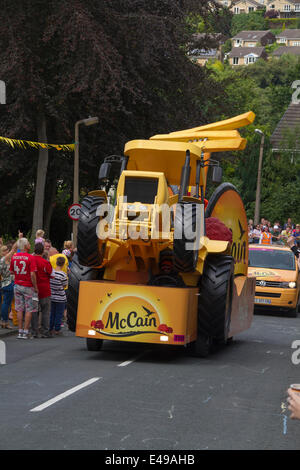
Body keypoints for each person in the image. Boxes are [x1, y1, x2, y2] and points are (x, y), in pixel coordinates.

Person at [10, 238, 38, 339]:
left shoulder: (14, 257)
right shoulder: (31, 257)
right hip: (28, 286)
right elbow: (32, 274)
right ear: (26, 246)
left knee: (19, 309)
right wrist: (35, 287)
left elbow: (12, 271)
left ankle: (20, 331)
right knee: (29, 309)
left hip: (17, 285)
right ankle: (26, 332)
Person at [32, 243, 54, 338]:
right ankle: (45, 331)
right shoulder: (46, 263)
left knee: (34, 311)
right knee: (45, 311)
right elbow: (52, 275)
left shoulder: (30, 261)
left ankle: (34, 331)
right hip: (45, 289)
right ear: (42, 251)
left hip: (32, 289)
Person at [0, 243, 17, 328]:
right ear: (3, 252)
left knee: (5, 303)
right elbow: (13, 249)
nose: (8, 251)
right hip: (9, 282)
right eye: (7, 250)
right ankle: (5, 322)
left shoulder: (2, 260)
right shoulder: (4, 259)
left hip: (4, 283)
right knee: (6, 304)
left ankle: (3, 321)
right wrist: (19, 239)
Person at [50, 256, 68, 335]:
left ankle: (50, 328)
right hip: (60, 297)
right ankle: (57, 329)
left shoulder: (51, 273)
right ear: (63, 264)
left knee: (52, 313)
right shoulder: (63, 275)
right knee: (59, 314)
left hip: (52, 296)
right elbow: (64, 285)